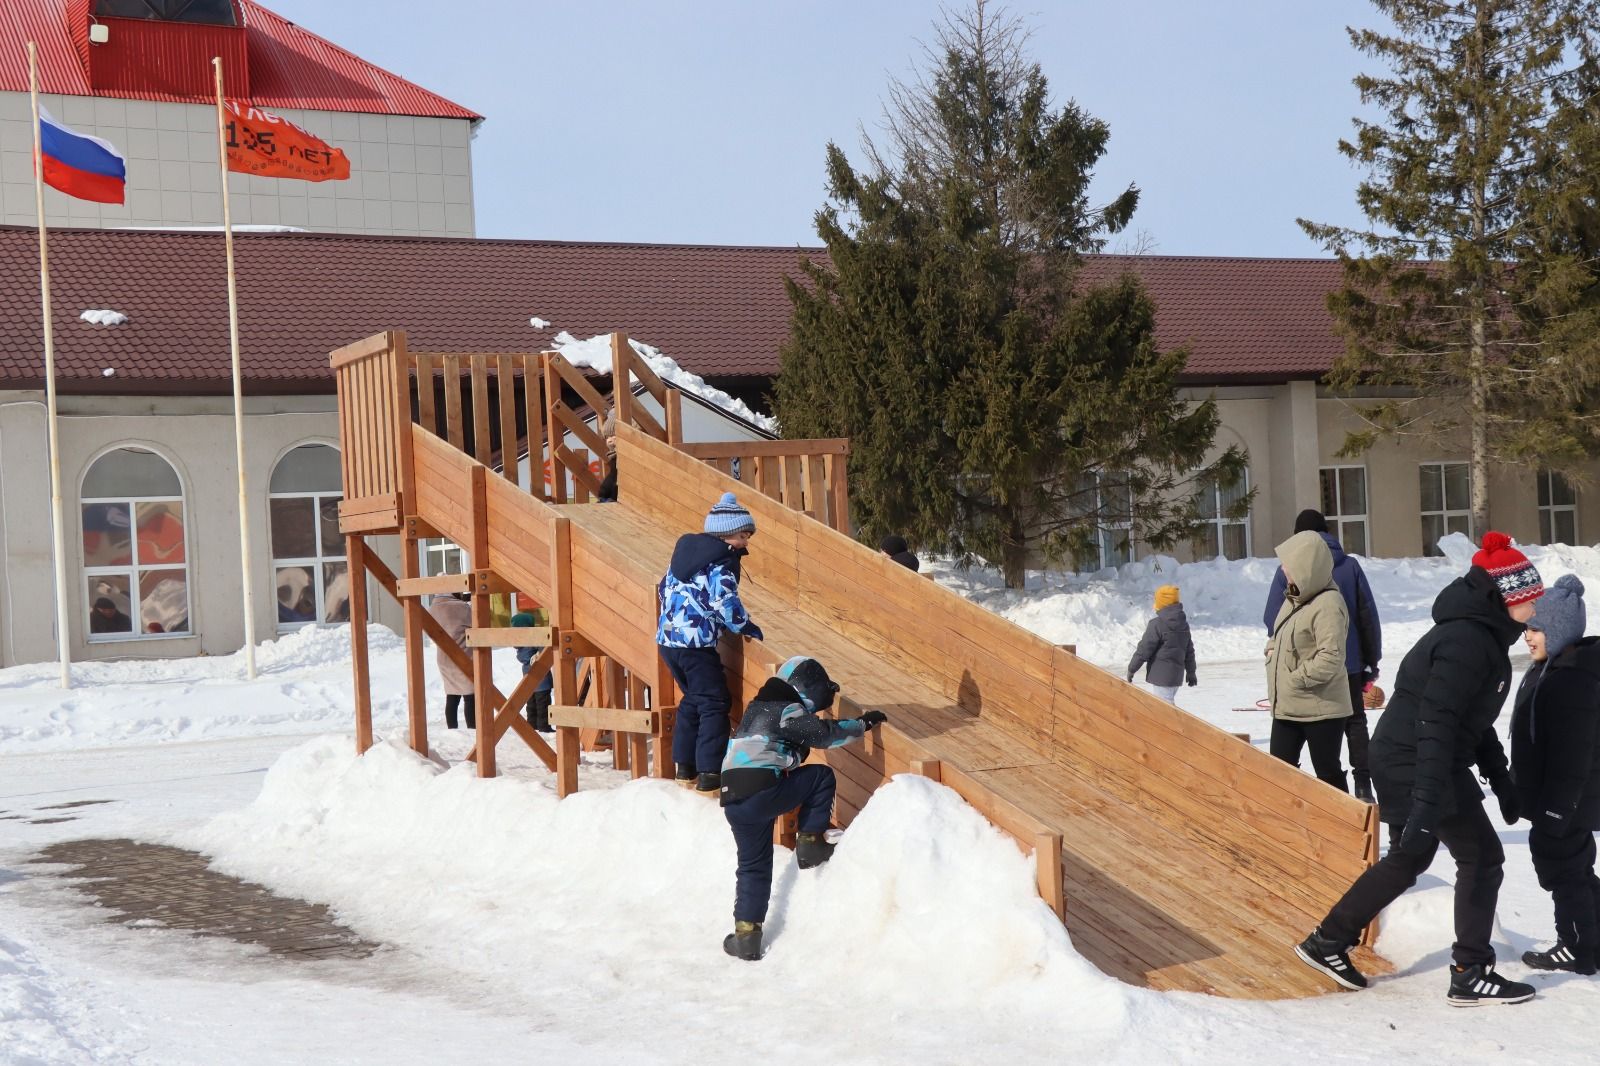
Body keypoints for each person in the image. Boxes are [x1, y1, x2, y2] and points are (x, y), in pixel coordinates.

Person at [1294, 531, 1541, 1004]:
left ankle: (1328, 940)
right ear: (1503, 598)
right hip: (1419, 759)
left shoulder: (1480, 635)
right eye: (1530, 598)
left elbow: (1473, 720)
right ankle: (1470, 970)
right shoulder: (1467, 641)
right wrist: (1427, 799)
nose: (1535, 608)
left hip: (1415, 756)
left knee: (1411, 858)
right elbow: (1437, 721)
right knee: (1482, 857)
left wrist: (1502, 780)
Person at [719, 655, 886, 960]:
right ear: (807, 689)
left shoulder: (757, 708)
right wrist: (862, 724)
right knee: (820, 777)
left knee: (752, 866)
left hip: (733, 798)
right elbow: (822, 735)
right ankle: (810, 843)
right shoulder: (785, 707)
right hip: (762, 788)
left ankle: (746, 935)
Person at [1510, 574, 1600, 976]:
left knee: (1564, 870)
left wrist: (1556, 811)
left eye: (1537, 629)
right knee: (1575, 867)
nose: (1528, 637)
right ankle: (1591, 942)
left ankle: (1577, 947)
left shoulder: (1571, 680)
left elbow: (1572, 756)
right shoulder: (1554, 668)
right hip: (1565, 798)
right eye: (1528, 627)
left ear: (1558, 630)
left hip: (1566, 799)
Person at [1264, 509, 1384, 802]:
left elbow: (1271, 619)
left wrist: (1293, 676)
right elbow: (1368, 616)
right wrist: (1372, 660)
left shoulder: (1321, 592)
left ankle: (1352, 807)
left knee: (1329, 764)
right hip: (1350, 664)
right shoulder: (1335, 571)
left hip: (1325, 681)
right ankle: (1362, 783)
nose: (1283, 569)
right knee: (1355, 726)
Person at [657, 492, 764, 793]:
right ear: (728, 534)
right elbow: (725, 603)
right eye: (744, 535)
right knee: (715, 703)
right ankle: (710, 773)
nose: (747, 542)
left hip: (669, 642)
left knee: (694, 698)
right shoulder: (720, 564)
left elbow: (664, 591)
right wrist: (745, 625)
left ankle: (685, 767)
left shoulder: (684, 556)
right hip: (695, 645)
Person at [1265, 530, 1352, 790]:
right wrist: (1271, 649)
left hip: (1321, 709)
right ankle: (1285, 826)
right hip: (1288, 708)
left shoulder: (1328, 604)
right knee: (1277, 776)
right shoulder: (1294, 597)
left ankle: (1342, 827)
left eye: (1289, 563)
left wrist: (1295, 679)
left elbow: (1331, 656)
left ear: (1306, 566)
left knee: (1328, 775)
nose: (1283, 568)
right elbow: (1282, 634)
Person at [1126, 584, 1197, 704]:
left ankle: (1175, 723)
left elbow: (1144, 649)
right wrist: (1191, 672)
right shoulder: (1183, 625)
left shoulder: (1157, 624)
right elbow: (1189, 651)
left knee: (1165, 711)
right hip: (1176, 677)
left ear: (1161, 603)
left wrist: (1132, 669)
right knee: (1166, 707)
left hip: (1162, 678)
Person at [427, 592, 476, 729]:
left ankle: (452, 729)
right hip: (463, 654)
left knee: (452, 694)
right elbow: (476, 622)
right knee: (470, 694)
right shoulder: (461, 607)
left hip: (443, 656)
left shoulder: (433, 608)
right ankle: (472, 729)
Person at [511, 604, 552, 731]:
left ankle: (531, 725)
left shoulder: (519, 644)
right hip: (541, 677)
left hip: (528, 677)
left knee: (531, 704)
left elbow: (526, 657)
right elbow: (544, 649)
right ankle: (544, 726)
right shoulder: (532, 638)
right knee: (543, 704)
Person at [597, 413, 618, 503]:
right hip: (608, 496)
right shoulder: (614, 458)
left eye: (613, 436)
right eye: (607, 437)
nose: (609, 440)